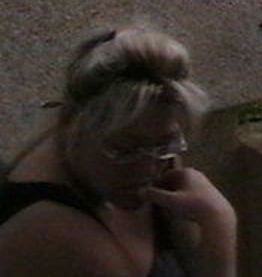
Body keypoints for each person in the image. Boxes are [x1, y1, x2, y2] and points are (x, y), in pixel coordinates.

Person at [0, 27, 237, 277]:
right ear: (74, 125)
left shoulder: (151, 148)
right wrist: (220, 225)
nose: (147, 168)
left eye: (165, 144)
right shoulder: (57, 233)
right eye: (124, 148)